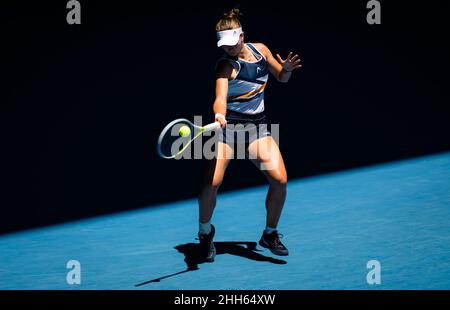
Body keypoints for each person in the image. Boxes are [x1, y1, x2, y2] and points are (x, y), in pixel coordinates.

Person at [198, 7, 302, 262]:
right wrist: (219, 114)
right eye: (224, 45)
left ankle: (269, 234)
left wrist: (286, 69)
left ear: (242, 36)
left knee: (280, 180)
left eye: (232, 43)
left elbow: (281, 77)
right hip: (227, 132)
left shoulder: (261, 50)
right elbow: (220, 98)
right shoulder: (225, 66)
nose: (228, 48)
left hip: (257, 130)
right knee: (211, 184)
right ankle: (204, 232)